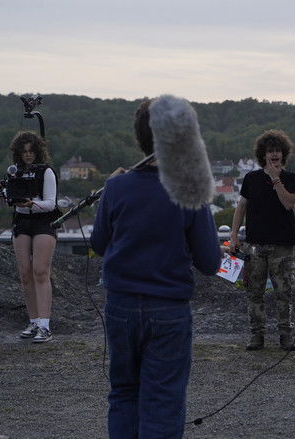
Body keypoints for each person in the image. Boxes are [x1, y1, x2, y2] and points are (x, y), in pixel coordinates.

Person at [90, 98, 221, 438]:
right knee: (162, 400)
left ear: (140, 139)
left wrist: (108, 193)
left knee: (124, 393)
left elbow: (99, 244)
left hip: (120, 307)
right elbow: (210, 262)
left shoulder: (116, 187)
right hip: (168, 310)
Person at [230, 129, 295, 352]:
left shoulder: (291, 178)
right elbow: (241, 206)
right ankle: (257, 336)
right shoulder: (251, 178)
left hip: (283, 245)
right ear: (263, 154)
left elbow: (288, 203)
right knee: (254, 292)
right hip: (255, 245)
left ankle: (285, 336)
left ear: (284, 153)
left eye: (278, 151)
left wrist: (275, 180)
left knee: (284, 293)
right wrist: (233, 236)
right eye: (270, 151)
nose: (274, 155)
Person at [0, 131, 58, 343]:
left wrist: (31, 204)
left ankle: (45, 325)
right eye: (24, 151)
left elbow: (51, 203)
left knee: (40, 271)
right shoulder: (14, 172)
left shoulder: (46, 172)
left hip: (43, 221)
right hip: (21, 222)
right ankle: (34, 321)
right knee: (25, 273)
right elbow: (5, 204)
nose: (28, 155)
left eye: (31, 151)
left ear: (38, 151)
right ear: (18, 153)